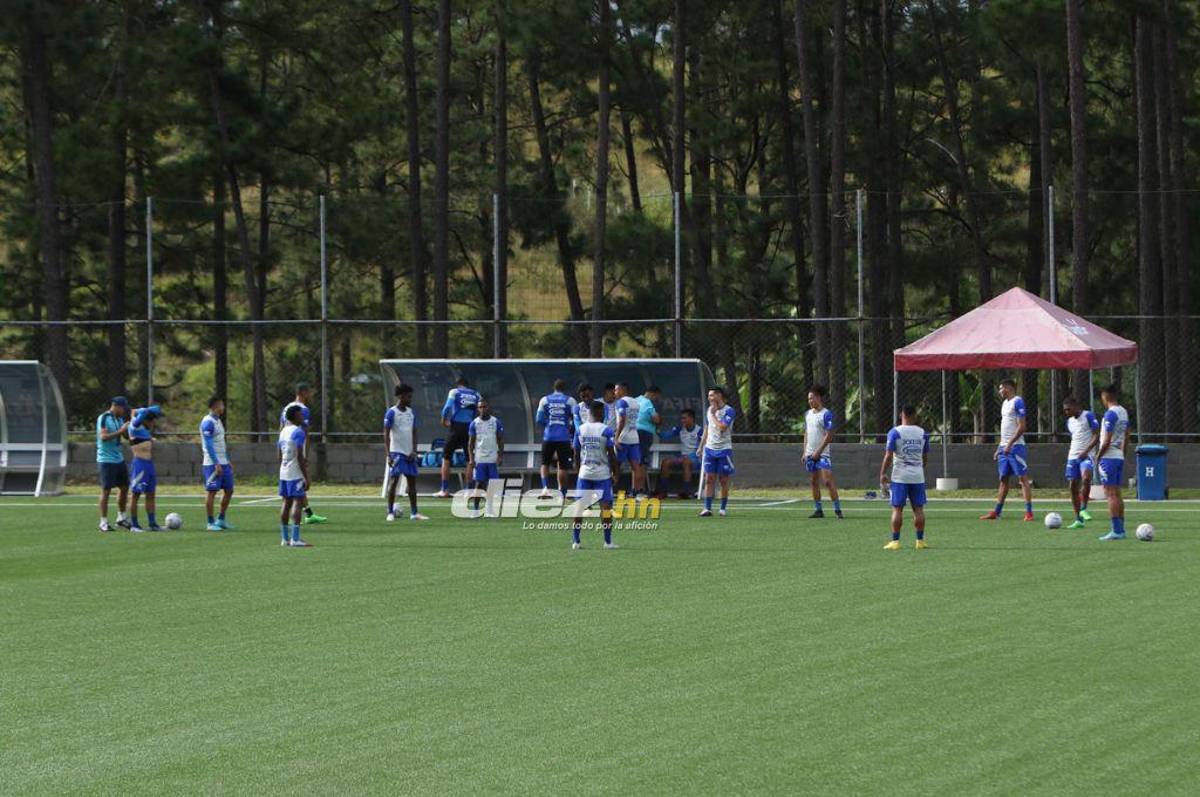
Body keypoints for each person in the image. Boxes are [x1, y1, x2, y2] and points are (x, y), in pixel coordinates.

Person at [980, 378, 1034, 522]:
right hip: (1005, 447)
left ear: (1009, 388)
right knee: (1003, 479)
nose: (999, 391)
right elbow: (1006, 428)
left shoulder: (1018, 401)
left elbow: (1022, 427)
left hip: (1016, 447)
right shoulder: (1004, 404)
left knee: (1022, 479)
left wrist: (1010, 444)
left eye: (1001, 388)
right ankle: (997, 512)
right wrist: (1000, 447)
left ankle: (1029, 512)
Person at [879, 405, 931, 551]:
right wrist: (919, 468)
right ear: (915, 415)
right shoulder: (923, 433)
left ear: (901, 414)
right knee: (918, 509)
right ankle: (920, 541)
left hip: (900, 476)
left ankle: (895, 542)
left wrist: (882, 473)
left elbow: (888, 455)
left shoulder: (895, 432)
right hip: (917, 477)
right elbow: (925, 457)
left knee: (897, 509)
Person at [570, 400, 619, 550]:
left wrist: (578, 470)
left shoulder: (581, 429)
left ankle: (576, 541)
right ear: (601, 413)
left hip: (584, 474)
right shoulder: (606, 430)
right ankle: (607, 542)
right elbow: (611, 455)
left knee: (579, 509)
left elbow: (576, 453)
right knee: (605, 509)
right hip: (602, 475)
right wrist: (615, 473)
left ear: (589, 413)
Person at [280, 383, 327, 524]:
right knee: (300, 484)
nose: (310, 395)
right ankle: (295, 522)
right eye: (309, 392)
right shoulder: (303, 410)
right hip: (296, 450)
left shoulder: (286, 408)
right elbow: (305, 432)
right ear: (303, 393)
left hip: (285, 448)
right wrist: (305, 455)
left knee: (290, 487)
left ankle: (308, 513)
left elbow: (281, 428)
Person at [384, 383, 429, 522]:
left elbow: (414, 432)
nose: (410, 399)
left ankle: (414, 513)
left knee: (412, 483)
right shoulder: (391, 412)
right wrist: (388, 454)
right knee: (394, 481)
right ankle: (390, 512)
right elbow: (386, 433)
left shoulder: (411, 412)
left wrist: (414, 451)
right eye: (408, 396)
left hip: (409, 453)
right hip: (396, 452)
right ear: (401, 396)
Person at [1096, 385, 1131, 541]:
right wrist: (1122, 453)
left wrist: (1098, 456)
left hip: (1108, 457)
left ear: (1105, 396)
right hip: (1118, 456)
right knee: (1117, 493)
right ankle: (1121, 529)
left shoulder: (1110, 414)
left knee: (1110, 494)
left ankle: (1116, 530)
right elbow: (1127, 436)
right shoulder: (1123, 411)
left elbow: (1106, 440)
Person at [803, 385, 843, 519]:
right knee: (814, 481)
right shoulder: (808, 414)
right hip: (810, 453)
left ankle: (838, 510)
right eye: (808, 399)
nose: (809, 401)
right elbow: (806, 433)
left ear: (818, 398)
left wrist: (818, 452)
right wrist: (805, 452)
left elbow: (829, 435)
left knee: (827, 481)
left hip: (823, 454)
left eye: (811, 398)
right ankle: (818, 510)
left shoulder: (826, 414)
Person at [437, 376, 480, 497]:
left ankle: (444, 489)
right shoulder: (476, 394)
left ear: (458, 385)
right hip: (469, 427)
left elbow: (447, 407)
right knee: (469, 459)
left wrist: (443, 420)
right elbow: (480, 409)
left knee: (446, 457)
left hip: (456, 427)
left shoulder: (455, 391)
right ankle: (468, 491)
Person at [698, 387, 736, 517]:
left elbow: (722, 428)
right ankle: (707, 508)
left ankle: (722, 508)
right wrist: (701, 446)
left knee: (723, 480)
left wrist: (714, 414)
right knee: (709, 479)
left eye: (712, 395)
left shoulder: (729, 410)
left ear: (719, 396)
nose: (710, 398)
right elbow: (707, 429)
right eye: (709, 396)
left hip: (724, 450)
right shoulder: (709, 410)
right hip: (709, 449)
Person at [1063, 396, 1099, 529]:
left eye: (1068, 409)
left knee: (1086, 477)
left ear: (1076, 406)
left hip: (1087, 455)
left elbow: (1096, 435)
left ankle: (1084, 507)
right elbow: (1075, 437)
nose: (1067, 412)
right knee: (1072, 486)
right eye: (1065, 410)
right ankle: (1078, 519)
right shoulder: (1069, 422)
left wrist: (1086, 450)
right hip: (1072, 456)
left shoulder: (1088, 415)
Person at [535, 378, 576, 497]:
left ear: (553, 387)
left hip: (549, 436)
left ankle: (545, 488)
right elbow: (575, 419)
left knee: (545, 463)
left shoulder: (545, 400)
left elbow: (539, 419)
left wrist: (549, 424)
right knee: (563, 466)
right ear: (565, 388)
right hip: (564, 437)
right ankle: (562, 492)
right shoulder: (570, 400)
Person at [278, 405, 312, 547]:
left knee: (286, 502)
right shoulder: (298, 432)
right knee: (297, 502)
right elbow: (299, 454)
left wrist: (282, 466)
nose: (302, 416)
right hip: (295, 472)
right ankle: (295, 538)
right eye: (300, 414)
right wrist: (306, 476)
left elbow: (279, 453)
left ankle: (285, 538)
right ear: (295, 416)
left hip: (284, 471)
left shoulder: (283, 431)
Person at [96, 396, 132, 532]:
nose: (124, 411)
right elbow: (103, 437)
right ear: (116, 406)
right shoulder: (104, 418)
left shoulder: (120, 419)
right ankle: (103, 522)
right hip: (106, 460)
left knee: (124, 487)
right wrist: (121, 431)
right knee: (106, 490)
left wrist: (129, 428)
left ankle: (121, 518)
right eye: (122, 408)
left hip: (119, 458)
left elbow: (126, 437)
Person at [200, 397, 235, 531]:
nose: (223, 407)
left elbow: (220, 443)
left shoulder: (218, 421)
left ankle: (220, 519)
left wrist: (226, 459)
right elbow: (209, 445)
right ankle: (210, 522)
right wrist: (216, 463)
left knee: (229, 490)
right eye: (221, 405)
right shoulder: (207, 422)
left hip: (223, 462)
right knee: (212, 492)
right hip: (212, 463)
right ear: (215, 406)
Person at [127, 404, 163, 532]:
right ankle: (134, 525)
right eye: (152, 420)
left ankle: (152, 523)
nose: (154, 423)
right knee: (136, 495)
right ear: (146, 419)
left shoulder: (145, 430)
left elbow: (134, 412)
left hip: (149, 465)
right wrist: (145, 410)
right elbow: (136, 417)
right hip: (139, 464)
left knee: (151, 494)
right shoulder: (134, 426)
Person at [467, 398, 504, 516]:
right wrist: (471, 459)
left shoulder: (496, 422)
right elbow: (470, 443)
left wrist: (500, 455)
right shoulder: (474, 423)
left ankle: (489, 509)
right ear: (478, 409)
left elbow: (500, 440)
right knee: (479, 483)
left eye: (484, 407)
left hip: (492, 457)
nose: (482, 409)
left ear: (489, 407)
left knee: (492, 484)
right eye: (480, 407)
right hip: (480, 458)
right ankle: (476, 509)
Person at [659, 408, 702, 498]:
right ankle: (663, 491)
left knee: (686, 462)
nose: (682, 420)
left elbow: (703, 447)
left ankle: (685, 492)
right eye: (682, 418)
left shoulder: (699, 431)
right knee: (666, 462)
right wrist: (657, 429)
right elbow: (666, 436)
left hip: (695, 459)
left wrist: (691, 456)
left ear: (691, 418)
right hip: (682, 457)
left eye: (684, 418)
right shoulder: (680, 429)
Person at [613, 383, 645, 499]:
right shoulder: (636, 402)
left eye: (616, 390)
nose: (614, 392)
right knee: (636, 467)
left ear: (622, 390)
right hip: (634, 437)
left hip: (623, 438)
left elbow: (621, 420)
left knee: (615, 465)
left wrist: (616, 438)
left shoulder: (621, 402)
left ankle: (611, 490)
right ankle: (636, 492)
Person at [635, 385, 662, 493]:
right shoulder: (648, 403)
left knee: (636, 462)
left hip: (633, 433)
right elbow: (656, 420)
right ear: (653, 393)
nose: (657, 399)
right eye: (657, 397)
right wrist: (659, 420)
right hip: (644, 434)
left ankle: (636, 489)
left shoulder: (636, 400)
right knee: (642, 463)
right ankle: (640, 490)